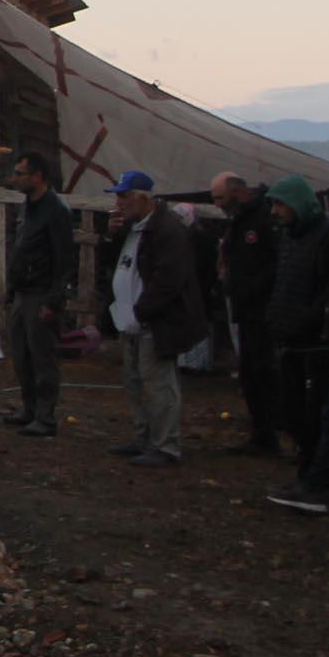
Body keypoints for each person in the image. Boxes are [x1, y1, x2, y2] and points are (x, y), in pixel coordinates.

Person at [260, 175, 329, 513]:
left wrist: (309, 323)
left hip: (316, 343)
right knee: (296, 416)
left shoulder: (327, 238)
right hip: (289, 339)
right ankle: (306, 477)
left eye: (281, 204)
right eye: (273, 204)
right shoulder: (288, 237)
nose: (276, 211)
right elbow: (285, 283)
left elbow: (328, 289)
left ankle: (325, 483)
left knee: (319, 417)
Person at [102, 169, 206, 466]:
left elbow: (168, 280)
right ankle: (144, 438)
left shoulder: (167, 230)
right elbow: (117, 263)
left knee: (158, 384)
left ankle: (165, 445)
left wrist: (143, 310)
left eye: (124, 196)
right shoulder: (134, 227)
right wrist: (111, 235)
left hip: (153, 322)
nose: (119, 202)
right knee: (135, 382)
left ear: (142, 197)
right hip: (132, 319)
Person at [212, 173, 284, 455]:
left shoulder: (264, 217)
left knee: (264, 372)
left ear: (237, 191)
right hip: (244, 307)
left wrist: (253, 290)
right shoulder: (240, 219)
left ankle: (273, 433)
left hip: (262, 309)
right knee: (250, 374)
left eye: (220, 198)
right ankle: (261, 433)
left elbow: (274, 262)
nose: (217, 204)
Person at [2, 153, 73, 437]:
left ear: (38, 176)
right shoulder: (27, 208)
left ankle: (45, 416)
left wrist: (53, 301)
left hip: (41, 293)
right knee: (21, 356)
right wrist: (10, 288)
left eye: (20, 173)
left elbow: (64, 260)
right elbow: (19, 249)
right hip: (22, 292)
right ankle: (29, 408)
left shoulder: (55, 211)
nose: (15, 178)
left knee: (42, 357)